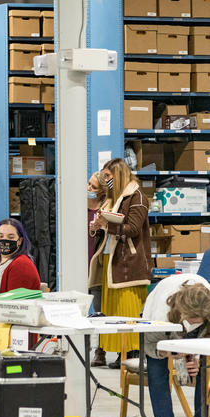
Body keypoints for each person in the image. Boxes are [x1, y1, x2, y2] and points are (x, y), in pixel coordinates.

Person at [89, 158, 151, 369]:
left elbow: (133, 228)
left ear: (119, 175)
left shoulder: (137, 197)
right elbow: (106, 229)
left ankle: (130, 351)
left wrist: (109, 225)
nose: (105, 180)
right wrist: (98, 226)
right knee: (112, 311)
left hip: (128, 263)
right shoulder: (111, 198)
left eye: (108, 176)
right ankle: (118, 351)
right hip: (110, 261)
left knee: (128, 310)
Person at [142, 275, 210, 417]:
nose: (195, 321)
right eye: (193, 319)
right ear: (183, 311)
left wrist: (198, 358)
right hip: (164, 324)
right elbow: (148, 344)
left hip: (195, 318)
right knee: (157, 372)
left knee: (206, 371)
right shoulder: (160, 313)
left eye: (200, 319)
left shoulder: (207, 304)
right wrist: (167, 353)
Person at [0, 218, 40, 295]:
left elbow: (15, 301)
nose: (4, 240)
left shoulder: (21, 264)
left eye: (11, 237)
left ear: (20, 241)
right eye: (0, 236)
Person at [87, 171, 108, 367]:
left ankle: (100, 351)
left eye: (94, 187)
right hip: (79, 264)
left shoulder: (105, 210)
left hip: (97, 267)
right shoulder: (77, 206)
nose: (89, 189)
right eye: (89, 185)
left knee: (100, 312)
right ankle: (80, 348)